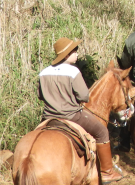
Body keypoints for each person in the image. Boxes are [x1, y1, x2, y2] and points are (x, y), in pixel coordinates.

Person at [39, 37, 122, 183]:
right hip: (71, 115)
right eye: (74, 51)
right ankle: (107, 171)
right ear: (66, 55)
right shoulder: (73, 71)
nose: (77, 53)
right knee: (102, 132)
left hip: (47, 117)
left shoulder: (44, 72)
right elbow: (84, 95)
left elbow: (40, 95)